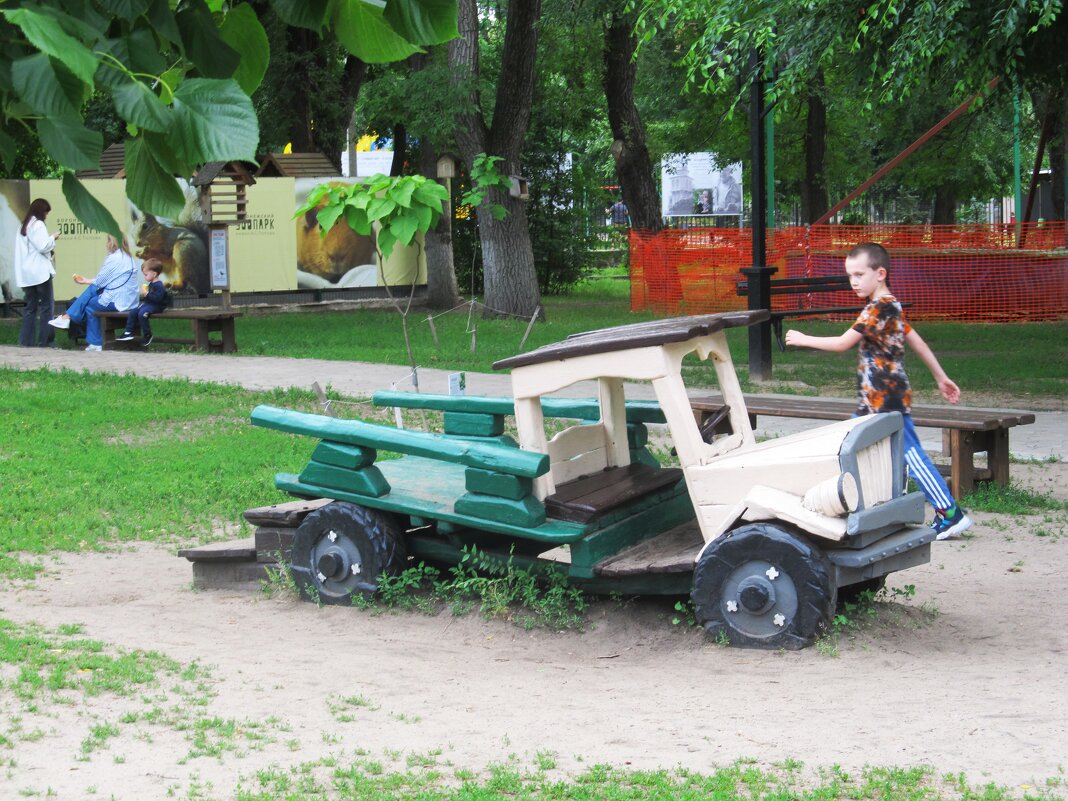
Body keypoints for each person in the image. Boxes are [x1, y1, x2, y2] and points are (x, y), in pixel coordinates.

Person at [784, 242, 973, 541]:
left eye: (859, 274)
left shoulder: (879, 307)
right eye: (850, 276)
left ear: (880, 273)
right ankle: (868, 505)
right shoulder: (890, 305)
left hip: (886, 398)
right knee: (851, 446)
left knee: (909, 454)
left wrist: (804, 338)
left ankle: (950, 513)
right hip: (873, 399)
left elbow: (842, 343)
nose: (854, 281)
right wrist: (941, 377)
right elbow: (917, 341)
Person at [48, 235, 140, 352]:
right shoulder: (128, 257)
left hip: (119, 302)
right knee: (91, 299)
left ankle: (90, 338)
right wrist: (87, 281)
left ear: (112, 242)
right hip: (130, 301)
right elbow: (108, 281)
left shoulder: (114, 258)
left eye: (107, 240)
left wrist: (87, 281)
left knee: (91, 303)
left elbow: (100, 282)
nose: (106, 244)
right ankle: (70, 319)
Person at [14, 198, 60, 347]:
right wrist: (53, 237)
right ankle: (46, 342)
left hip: (27, 275)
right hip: (40, 273)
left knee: (30, 308)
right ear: (41, 211)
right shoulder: (38, 225)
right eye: (46, 212)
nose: (46, 215)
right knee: (47, 307)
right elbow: (43, 246)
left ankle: (26, 341)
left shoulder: (24, 226)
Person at [117, 259, 169, 346]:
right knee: (133, 311)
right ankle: (128, 332)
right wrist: (145, 293)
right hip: (149, 304)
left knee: (142, 314)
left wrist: (147, 294)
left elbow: (157, 299)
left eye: (146, 275)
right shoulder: (151, 284)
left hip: (157, 306)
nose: (144, 277)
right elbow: (149, 297)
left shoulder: (159, 285)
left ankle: (147, 334)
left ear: (154, 274)